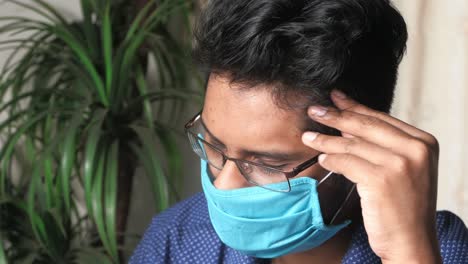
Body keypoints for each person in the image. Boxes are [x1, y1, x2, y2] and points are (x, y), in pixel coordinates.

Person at [129, 0, 468, 263]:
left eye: (267, 164)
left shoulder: (438, 247)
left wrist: (409, 257)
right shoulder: (177, 240)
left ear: (358, 148)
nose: (223, 185)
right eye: (214, 146)